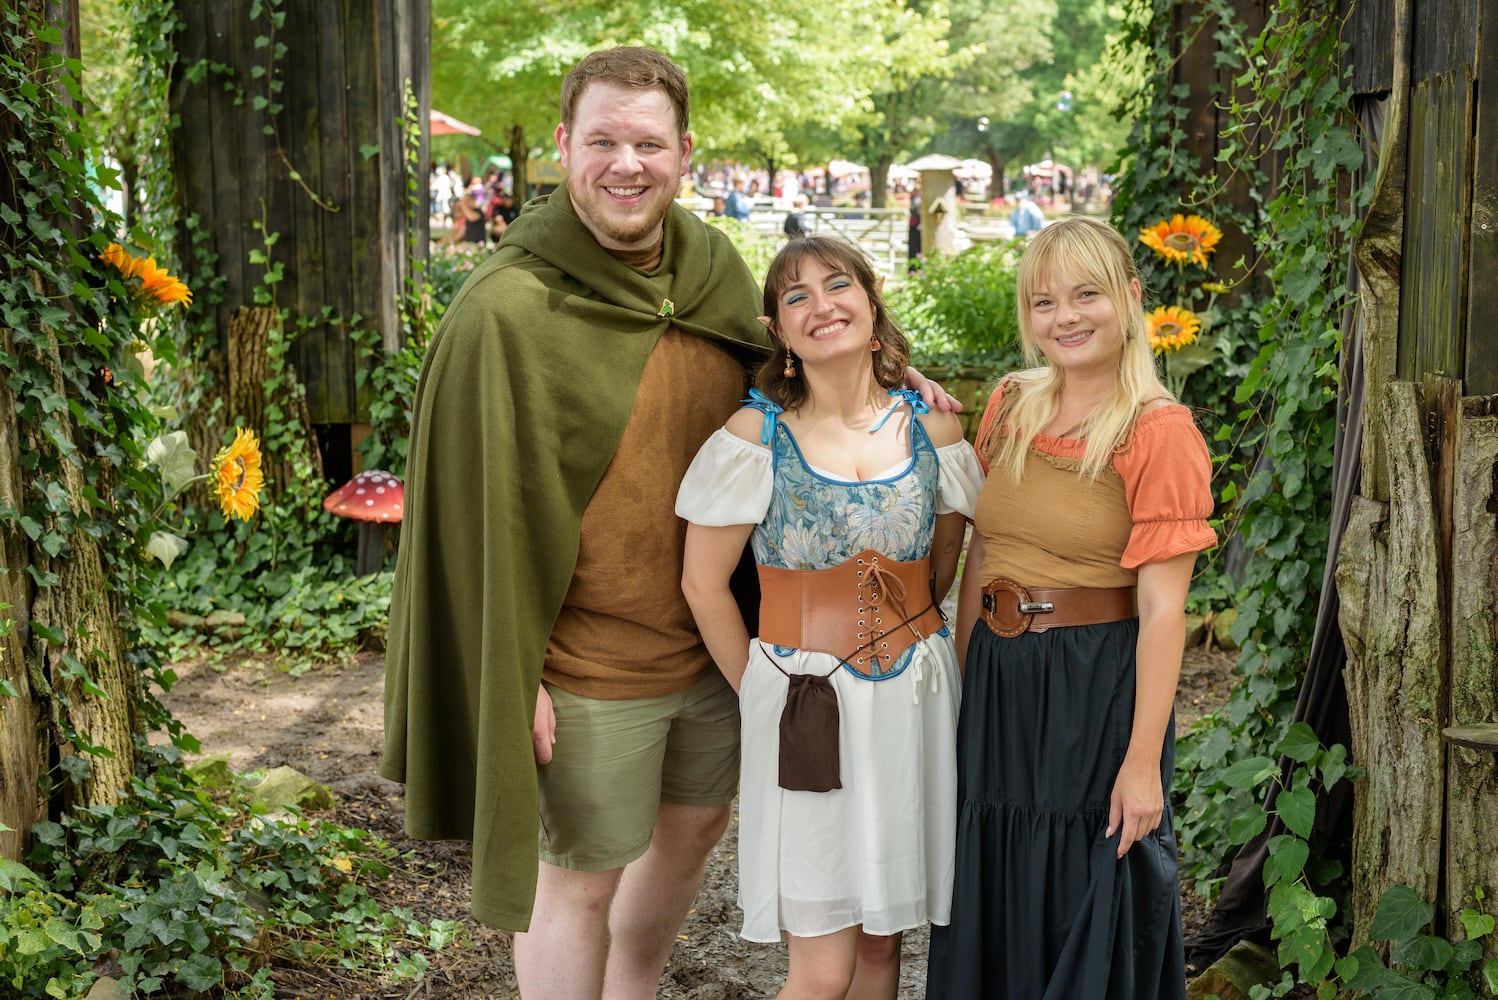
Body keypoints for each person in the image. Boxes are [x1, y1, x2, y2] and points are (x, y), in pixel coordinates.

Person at [382, 46, 960, 1000]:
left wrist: (898, 379)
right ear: (564, 146)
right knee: (578, 878)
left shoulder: (711, 270)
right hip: (584, 663)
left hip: (714, 647)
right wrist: (507, 670)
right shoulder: (508, 310)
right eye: (602, 139)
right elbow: (476, 515)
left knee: (691, 836)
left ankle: (634, 986)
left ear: (684, 151)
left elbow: (794, 387)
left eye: (648, 142)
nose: (626, 163)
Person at [678, 236, 982, 999]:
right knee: (821, 967)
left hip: (911, 701)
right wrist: (761, 685)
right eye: (797, 296)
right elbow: (703, 584)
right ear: (777, 331)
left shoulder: (933, 432)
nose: (822, 306)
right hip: (804, 702)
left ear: (871, 302)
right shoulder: (756, 440)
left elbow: (943, 567)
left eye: (837, 284)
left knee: (883, 952)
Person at [925, 216, 1216, 999]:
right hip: (997, 674)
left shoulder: (1159, 431)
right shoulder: (1012, 402)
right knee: (992, 877)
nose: (1066, 317)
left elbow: (1162, 612)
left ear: (1130, 297)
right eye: (1044, 301)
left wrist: (1143, 761)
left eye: (1086, 294)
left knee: (1080, 887)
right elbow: (982, 552)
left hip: (1091, 686)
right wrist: (960, 681)